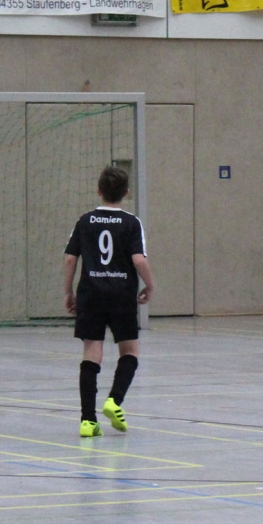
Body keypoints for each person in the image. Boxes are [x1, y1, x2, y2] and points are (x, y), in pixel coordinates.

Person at [63, 166, 154, 438]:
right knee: (130, 351)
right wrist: (150, 285)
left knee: (91, 352)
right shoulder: (131, 223)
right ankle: (114, 401)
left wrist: (68, 292)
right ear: (126, 193)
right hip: (121, 294)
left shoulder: (84, 221)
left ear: (99, 190)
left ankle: (87, 421)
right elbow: (139, 260)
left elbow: (70, 259)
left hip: (91, 294)